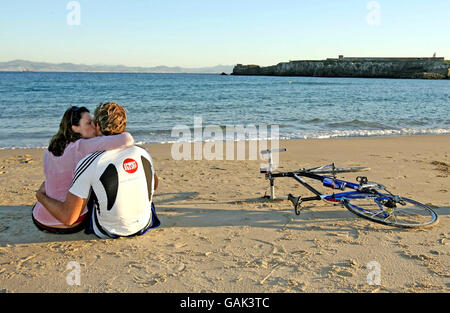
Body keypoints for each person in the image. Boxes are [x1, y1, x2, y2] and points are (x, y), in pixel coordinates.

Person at [36, 102, 160, 238]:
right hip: (144, 222)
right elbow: (153, 185)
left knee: (94, 183)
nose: (92, 127)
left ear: (98, 126)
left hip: (105, 228)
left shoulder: (82, 158)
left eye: (93, 123)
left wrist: (41, 195)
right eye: (89, 123)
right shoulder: (143, 153)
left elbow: (69, 217)